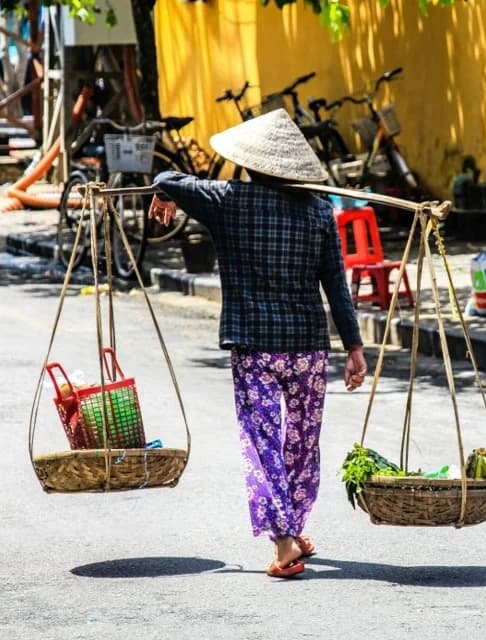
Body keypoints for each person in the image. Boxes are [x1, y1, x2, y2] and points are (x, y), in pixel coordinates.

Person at [148, 110, 369, 579]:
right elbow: (336, 283)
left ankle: (286, 539)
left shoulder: (228, 200)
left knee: (263, 442)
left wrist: (164, 193)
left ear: (249, 164)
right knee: (302, 442)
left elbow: (167, 173)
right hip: (307, 348)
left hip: (255, 347)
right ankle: (293, 526)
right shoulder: (319, 212)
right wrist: (354, 347)